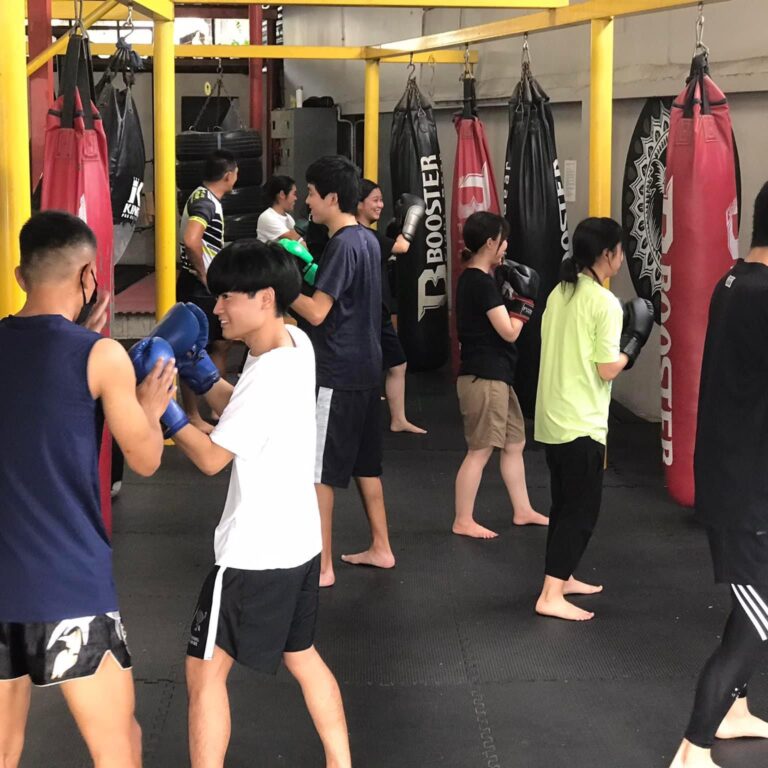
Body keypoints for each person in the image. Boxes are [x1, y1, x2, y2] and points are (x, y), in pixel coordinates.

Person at [149, 241, 350, 768]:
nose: (216, 308)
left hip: (253, 554)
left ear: (264, 298)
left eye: (226, 297)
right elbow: (244, 407)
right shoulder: (295, 342)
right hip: (298, 542)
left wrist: (164, 410)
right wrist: (199, 374)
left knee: (204, 673)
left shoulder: (268, 373)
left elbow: (213, 459)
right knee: (302, 656)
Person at [0, 211, 176, 768]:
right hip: (69, 585)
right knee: (119, 748)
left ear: (21, 276)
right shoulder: (101, 356)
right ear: (89, 275)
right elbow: (145, 459)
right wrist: (149, 407)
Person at [670, 183, 768, 768]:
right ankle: (693, 748)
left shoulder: (734, 280)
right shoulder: (762, 296)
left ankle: (735, 710)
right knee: (760, 618)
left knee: (753, 606)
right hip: (745, 489)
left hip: (739, 473)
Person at [533, 217, 653, 621]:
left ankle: (561, 577)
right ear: (608, 254)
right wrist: (633, 345)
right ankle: (550, 595)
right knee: (581, 510)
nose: (621, 257)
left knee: (564, 504)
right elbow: (606, 369)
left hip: (552, 417)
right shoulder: (603, 302)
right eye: (619, 250)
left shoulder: (560, 292)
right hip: (581, 420)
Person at [291, 155, 396, 588]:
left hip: (337, 371)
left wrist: (282, 286)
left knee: (320, 473)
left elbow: (317, 312)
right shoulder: (367, 240)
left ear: (332, 198)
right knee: (366, 465)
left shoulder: (342, 244)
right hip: (367, 367)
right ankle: (381, 547)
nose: (308, 202)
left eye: (312, 194)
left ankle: (323, 566)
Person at [452, 211, 548, 539]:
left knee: (515, 443)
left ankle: (522, 509)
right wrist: (524, 303)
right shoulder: (479, 282)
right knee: (480, 450)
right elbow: (509, 332)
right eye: (503, 240)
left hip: (496, 376)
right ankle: (463, 519)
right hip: (484, 377)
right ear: (491, 242)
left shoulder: (480, 279)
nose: (506, 246)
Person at [356, 178, 426, 434]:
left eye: (381, 200)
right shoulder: (361, 235)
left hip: (379, 311)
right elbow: (402, 246)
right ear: (359, 203)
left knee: (397, 364)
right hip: (367, 312)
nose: (381, 205)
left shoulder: (368, 235)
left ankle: (398, 419)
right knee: (373, 367)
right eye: (375, 200)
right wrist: (411, 220)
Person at [178, 149, 239, 433]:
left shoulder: (208, 198)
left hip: (207, 286)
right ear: (228, 175)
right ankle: (192, 416)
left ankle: (217, 408)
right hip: (198, 286)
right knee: (193, 349)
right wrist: (204, 274)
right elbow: (192, 240)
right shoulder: (204, 200)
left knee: (221, 344)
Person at [257, 174, 303, 243]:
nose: (295, 198)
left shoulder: (289, 218)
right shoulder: (267, 217)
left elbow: (300, 243)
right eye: (294, 194)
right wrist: (306, 219)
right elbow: (291, 238)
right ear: (282, 194)